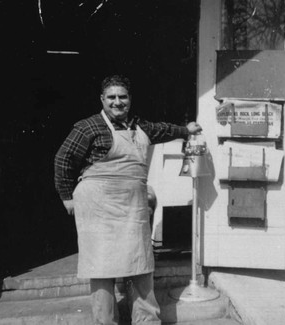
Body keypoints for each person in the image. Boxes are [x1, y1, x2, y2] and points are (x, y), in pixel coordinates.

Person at [54, 75, 202, 325]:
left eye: (122, 96)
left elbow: (162, 130)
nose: (117, 102)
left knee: (141, 263)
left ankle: (146, 320)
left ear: (130, 100)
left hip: (132, 207)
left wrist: (185, 130)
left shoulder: (139, 126)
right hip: (98, 205)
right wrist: (67, 197)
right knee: (101, 268)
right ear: (102, 99)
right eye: (111, 97)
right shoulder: (87, 127)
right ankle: (105, 321)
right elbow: (63, 160)